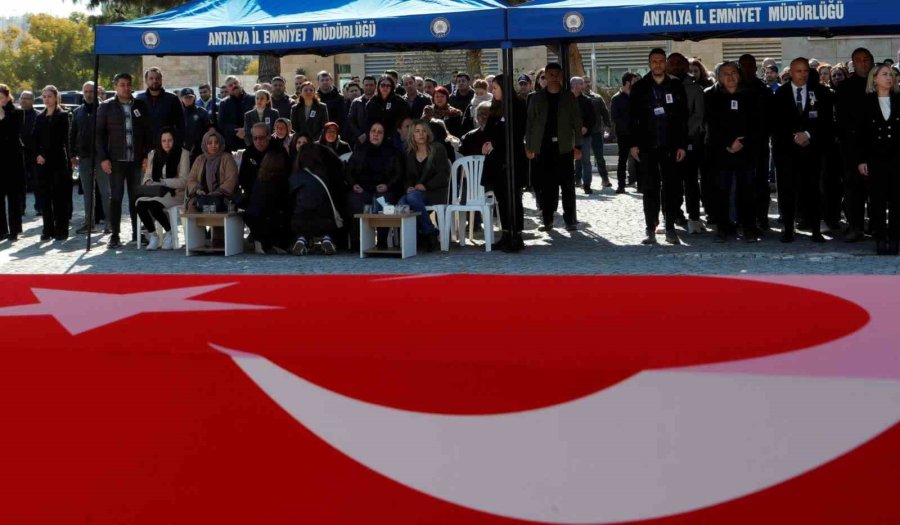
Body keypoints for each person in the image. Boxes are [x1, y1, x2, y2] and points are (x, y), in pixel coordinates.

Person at [629, 48, 689, 245]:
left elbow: (682, 118)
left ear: (665, 63)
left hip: (670, 145)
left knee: (671, 187)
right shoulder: (640, 87)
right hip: (647, 145)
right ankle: (650, 227)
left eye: (661, 61)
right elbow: (632, 119)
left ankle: (670, 226)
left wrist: (682, 144)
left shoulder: (675, 85)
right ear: (649, 63)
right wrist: (633, 144)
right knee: (649, 188)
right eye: (654, 61)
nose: (657, 64)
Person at [772, 57, 833, 243]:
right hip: (787, 152)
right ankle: (789, 229)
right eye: (798, 71)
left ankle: (815, 229)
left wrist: (808, 133)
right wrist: (794, 135)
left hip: (812, 151)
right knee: (787, 191)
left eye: (805, 71)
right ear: (791, 72)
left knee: (813, 191)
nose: (803, 75)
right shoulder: (780, 94)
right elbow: (775, 123)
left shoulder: (820, 92)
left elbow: (827, 121)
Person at [704, 62, 761, 243]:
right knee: (721, 191)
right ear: (719, 77)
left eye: (734, 72)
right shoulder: (710, 96)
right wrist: (728, 143)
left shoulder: (750, 95)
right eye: (725, 73)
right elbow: (710, 125)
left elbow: (757, 123)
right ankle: (723, 228)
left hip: (745, 151)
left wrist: (741, 142)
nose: (730, 77)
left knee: (747, 191)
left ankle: (748, 228)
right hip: (720, 151)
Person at [96, 73, 153, 249]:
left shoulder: (140, 105)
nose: (126, 88)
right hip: (116, 161)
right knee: (116, 198)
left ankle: (137, 234)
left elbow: (147, 132)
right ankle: (114, 235)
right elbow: (98, 135)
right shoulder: (106, 107)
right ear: (115, 87)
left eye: (128, 84)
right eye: (122, 85)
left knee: (137, 198)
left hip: (136, 161)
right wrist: (103, 158)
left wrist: (146, 157)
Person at [525, 62, 583, 232]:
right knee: (546, 186)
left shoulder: (569, 97)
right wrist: (528, 145)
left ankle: (570, 220)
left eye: (557, 74)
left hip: (564, 147)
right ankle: (547, 220)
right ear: (545, 77)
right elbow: (530, 123)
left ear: (561, 76)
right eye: (550, 74)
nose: (553, 77)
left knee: (567, 185)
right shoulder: (536, 98)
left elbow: (577, 122)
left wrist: (578, 145)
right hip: (543, 146)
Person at [855, 64, 900, 255]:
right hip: (875, 159)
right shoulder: (866, 102)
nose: (889, 78)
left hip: (898, 159)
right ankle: (880, 238)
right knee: (878, 201)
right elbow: (860, 135)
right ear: (874, 78)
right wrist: (861, 159)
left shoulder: (899, 100)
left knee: (897, 200)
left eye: (891, 74)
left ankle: (895, 238)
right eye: (884, 74)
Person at [481, 75, 528, 251]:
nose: (493, 91)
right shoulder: (496, 106)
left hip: (512, 158)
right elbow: (491, 129)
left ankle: (517, 235)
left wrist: (495, 142)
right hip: (496, 160)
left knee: (513, 198)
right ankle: (506, 232)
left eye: (495, 88)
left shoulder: (517, 106)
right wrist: (487, 142)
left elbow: (515, 132)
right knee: (501, 198)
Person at [836, 47, 875, 242]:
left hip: (878, 146)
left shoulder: (880, 83)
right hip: (852, 145)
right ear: (853, 63)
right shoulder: (845, 88)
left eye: (866, 59)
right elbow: (842, 121)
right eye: (859, 60)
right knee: (853, 190)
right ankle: (855, 226)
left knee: (878, 190)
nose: (863, 63)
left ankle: (877, 226)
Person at [346, 121, 403, 248]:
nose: (376, 134)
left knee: (385, 201)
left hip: (384, 188)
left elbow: (398, 174)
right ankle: (356, 242)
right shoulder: (360, 149)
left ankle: (382, 240)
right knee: (354, 200)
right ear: (369, 133)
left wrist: (388, 186)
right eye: (373, 131)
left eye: (379, 132)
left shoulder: (392, 151)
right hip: (363, 189)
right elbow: (349, 170)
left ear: (384, 135)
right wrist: (354, 184)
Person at [738, 53, 776, 233]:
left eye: (750, 65)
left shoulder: (764, 90)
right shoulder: (734, 88)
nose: (747, 68)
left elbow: (771, 118)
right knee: (742, 183)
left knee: (761, 183)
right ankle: (744, 218)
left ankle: (762, 217)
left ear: (755, 67)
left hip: (760, 143)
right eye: (743, 65)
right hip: (739, 144)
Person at [668, 52, 706, 233]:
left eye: (678, 64)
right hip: (667, 142)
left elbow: (698, 116)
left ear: (685, 66)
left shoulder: (695, 89)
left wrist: (683, 136)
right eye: (672, 64)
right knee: (669, 182)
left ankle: (694, 217)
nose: (675, 67)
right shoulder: (661, 86)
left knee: (691, 181)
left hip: (690, 141)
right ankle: (672, 215)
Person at [135, 127, 189, 250]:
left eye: (169, 140)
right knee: (140, 204)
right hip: (156, 191)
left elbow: (184, 180)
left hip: (176, 193)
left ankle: (169, 233)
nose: (167, 144)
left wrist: (164, 182)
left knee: (155, 205)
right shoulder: (153, 154)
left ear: (174, 140)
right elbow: (147, 176)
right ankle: (153, 235)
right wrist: (149, 182)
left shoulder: (182, 154)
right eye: (163, 140)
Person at [399, 119, 450, 250]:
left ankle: (428, 231)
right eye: (417, 131)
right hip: (417, 193)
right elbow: (408, 177)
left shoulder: (438, 148)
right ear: (412, 135)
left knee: (412, 198)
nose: (421, 134)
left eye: (424, 131)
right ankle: (419, 237)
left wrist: (426, 186)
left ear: (428, 133)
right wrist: (408, 187)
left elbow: (443, 175)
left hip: (435, 191)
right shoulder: (409, 153)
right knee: (402, 202)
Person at [289, 142, 345, 256]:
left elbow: (290, 199)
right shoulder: (326, 174)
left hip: (300, 220)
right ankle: (327, 239)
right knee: (328, 219)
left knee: (300, 221)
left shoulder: (296, 176)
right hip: (325, 221)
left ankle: (301, 239)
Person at [33, 85, 72, 242]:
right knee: (45, 197)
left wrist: (45, 154)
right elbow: (33, 138)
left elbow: (60, 140)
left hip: (57, 161)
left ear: (56, 97)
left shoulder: (63, 116)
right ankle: (47, 229)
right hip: (42, 163)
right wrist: (38, 155)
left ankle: (61, 229)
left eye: (49, 96)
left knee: (59, 197)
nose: (46, 99)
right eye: (44, 96)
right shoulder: (39, 117)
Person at [69, 81, 108, 234]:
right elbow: (72, 135)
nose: (88, 94)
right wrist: (72, 154)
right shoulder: (78, 111)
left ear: (97, 92)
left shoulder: (104, 109)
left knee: (105, 192)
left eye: (91, 91)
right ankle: (89, 222)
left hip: (102, 156)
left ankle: (109, 223)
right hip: (84, 156)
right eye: (85, 91)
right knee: (87, 192)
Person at [244, 135, 292, 254]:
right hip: (268, 220)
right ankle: (272, 243)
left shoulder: (260, 181)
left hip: (253, 217)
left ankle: (261, 242)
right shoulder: (280, 182)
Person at [186, 130, 238, 213]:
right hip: (202, 197)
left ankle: (218, 226)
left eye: (216, 142)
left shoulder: (227, 158)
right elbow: (191, 178)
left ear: (220, 143)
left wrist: (217, 192)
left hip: (222, 197)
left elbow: (231, 179)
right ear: (205, 144)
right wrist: (198, 190)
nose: (213, 145)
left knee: (217, 206)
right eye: (209, 143)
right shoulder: (200, 159)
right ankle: (198, 226)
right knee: (192, 206)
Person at [0, 84, 25, 242]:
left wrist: (2, 116)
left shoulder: (17, 112)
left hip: (13, 159)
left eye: (1, 98)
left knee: (14, 197)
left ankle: (14, 230)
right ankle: (2, 229)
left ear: (8, 97)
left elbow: (14, 133)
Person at [136, 67, 184, 149]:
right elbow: (136, 124)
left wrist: (178, 143)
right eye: (151, 78)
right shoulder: (139, 100)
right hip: (146, 148)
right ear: (146, 81)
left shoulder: (172, 99)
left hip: (168, 147)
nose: (154, 81)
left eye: (157, 78)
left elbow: (181, 124)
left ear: (161, 80)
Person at [611, 72, 638, 194]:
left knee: (639, 158)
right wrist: (626, 130)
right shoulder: (616, 99)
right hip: (623, 134)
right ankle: (621, 185)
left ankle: (640, 183)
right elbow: (615, 118)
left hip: (637, 133)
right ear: (627, 82)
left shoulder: (637, 96)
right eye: (634, 81)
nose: (636, 83)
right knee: (622, 160)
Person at [585, 76, 613, 188]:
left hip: (596, 131)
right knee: (581, 158)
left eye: (588, 82)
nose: (587, 84)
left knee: (599, 156)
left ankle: (605, 178)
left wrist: (608, 126)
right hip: (582, 132)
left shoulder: (597, 98)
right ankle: (579, 180)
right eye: (584, 82)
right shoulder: (576, 97)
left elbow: (605, 113)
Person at [570, 76, 597, 194]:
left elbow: (592, 117)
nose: (583, 86)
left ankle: (587, 184)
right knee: (568, 161)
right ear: (574, 85)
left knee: (586, 160)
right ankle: (570, 184)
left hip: (584, 136)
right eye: (581, 83)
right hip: (569, 137)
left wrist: (586, 127)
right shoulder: (566, 100)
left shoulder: (587, 100)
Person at [365, 75, 409, 141]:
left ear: (392, 87)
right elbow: (368, 122)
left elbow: (405, 119)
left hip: (395, 138)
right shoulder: (372, 102)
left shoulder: (399, 101)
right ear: (378, 86)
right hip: (377, 138)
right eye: (383, 85)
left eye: (388, 86)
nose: (385, 87)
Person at [218, 76, 255, 152]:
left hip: (252, 141)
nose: (234, 86)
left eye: (235, 83)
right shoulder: (224, 103)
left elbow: (258, 118)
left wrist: (246, 130)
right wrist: (237, 131)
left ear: (240, 83)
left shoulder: (253, 99)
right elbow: (222, 124)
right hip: (232, 143)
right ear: (227, 89)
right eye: (230, 85)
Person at [18, 91, 39, 215]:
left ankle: (40, 207)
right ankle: (20, 208)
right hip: (19, 153)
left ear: (33, 100)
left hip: (35, 153)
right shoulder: (15, 115)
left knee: (38, 182)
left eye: (27, 98)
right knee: (20, 183)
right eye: (22, 98)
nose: (24, 101)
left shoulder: (38, 115)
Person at [180, 88, 210, 164]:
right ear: (181, 99)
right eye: (186, 97)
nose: (188, 99)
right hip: (183, 151)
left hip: (200, 150)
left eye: (190, 97)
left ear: (194, 98)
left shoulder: (202, 112)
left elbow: (209, 131)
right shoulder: (178, 114)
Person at [347, 76, 377, 145]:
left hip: (376, 139)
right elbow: (351, 120)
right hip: (360, 140)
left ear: (375, 86)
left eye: (371, 85)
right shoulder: (356, 102)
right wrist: (359, 134)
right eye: (366, 85)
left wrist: (368, 134)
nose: (368, 87)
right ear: (362, 86)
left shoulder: (380, 102)